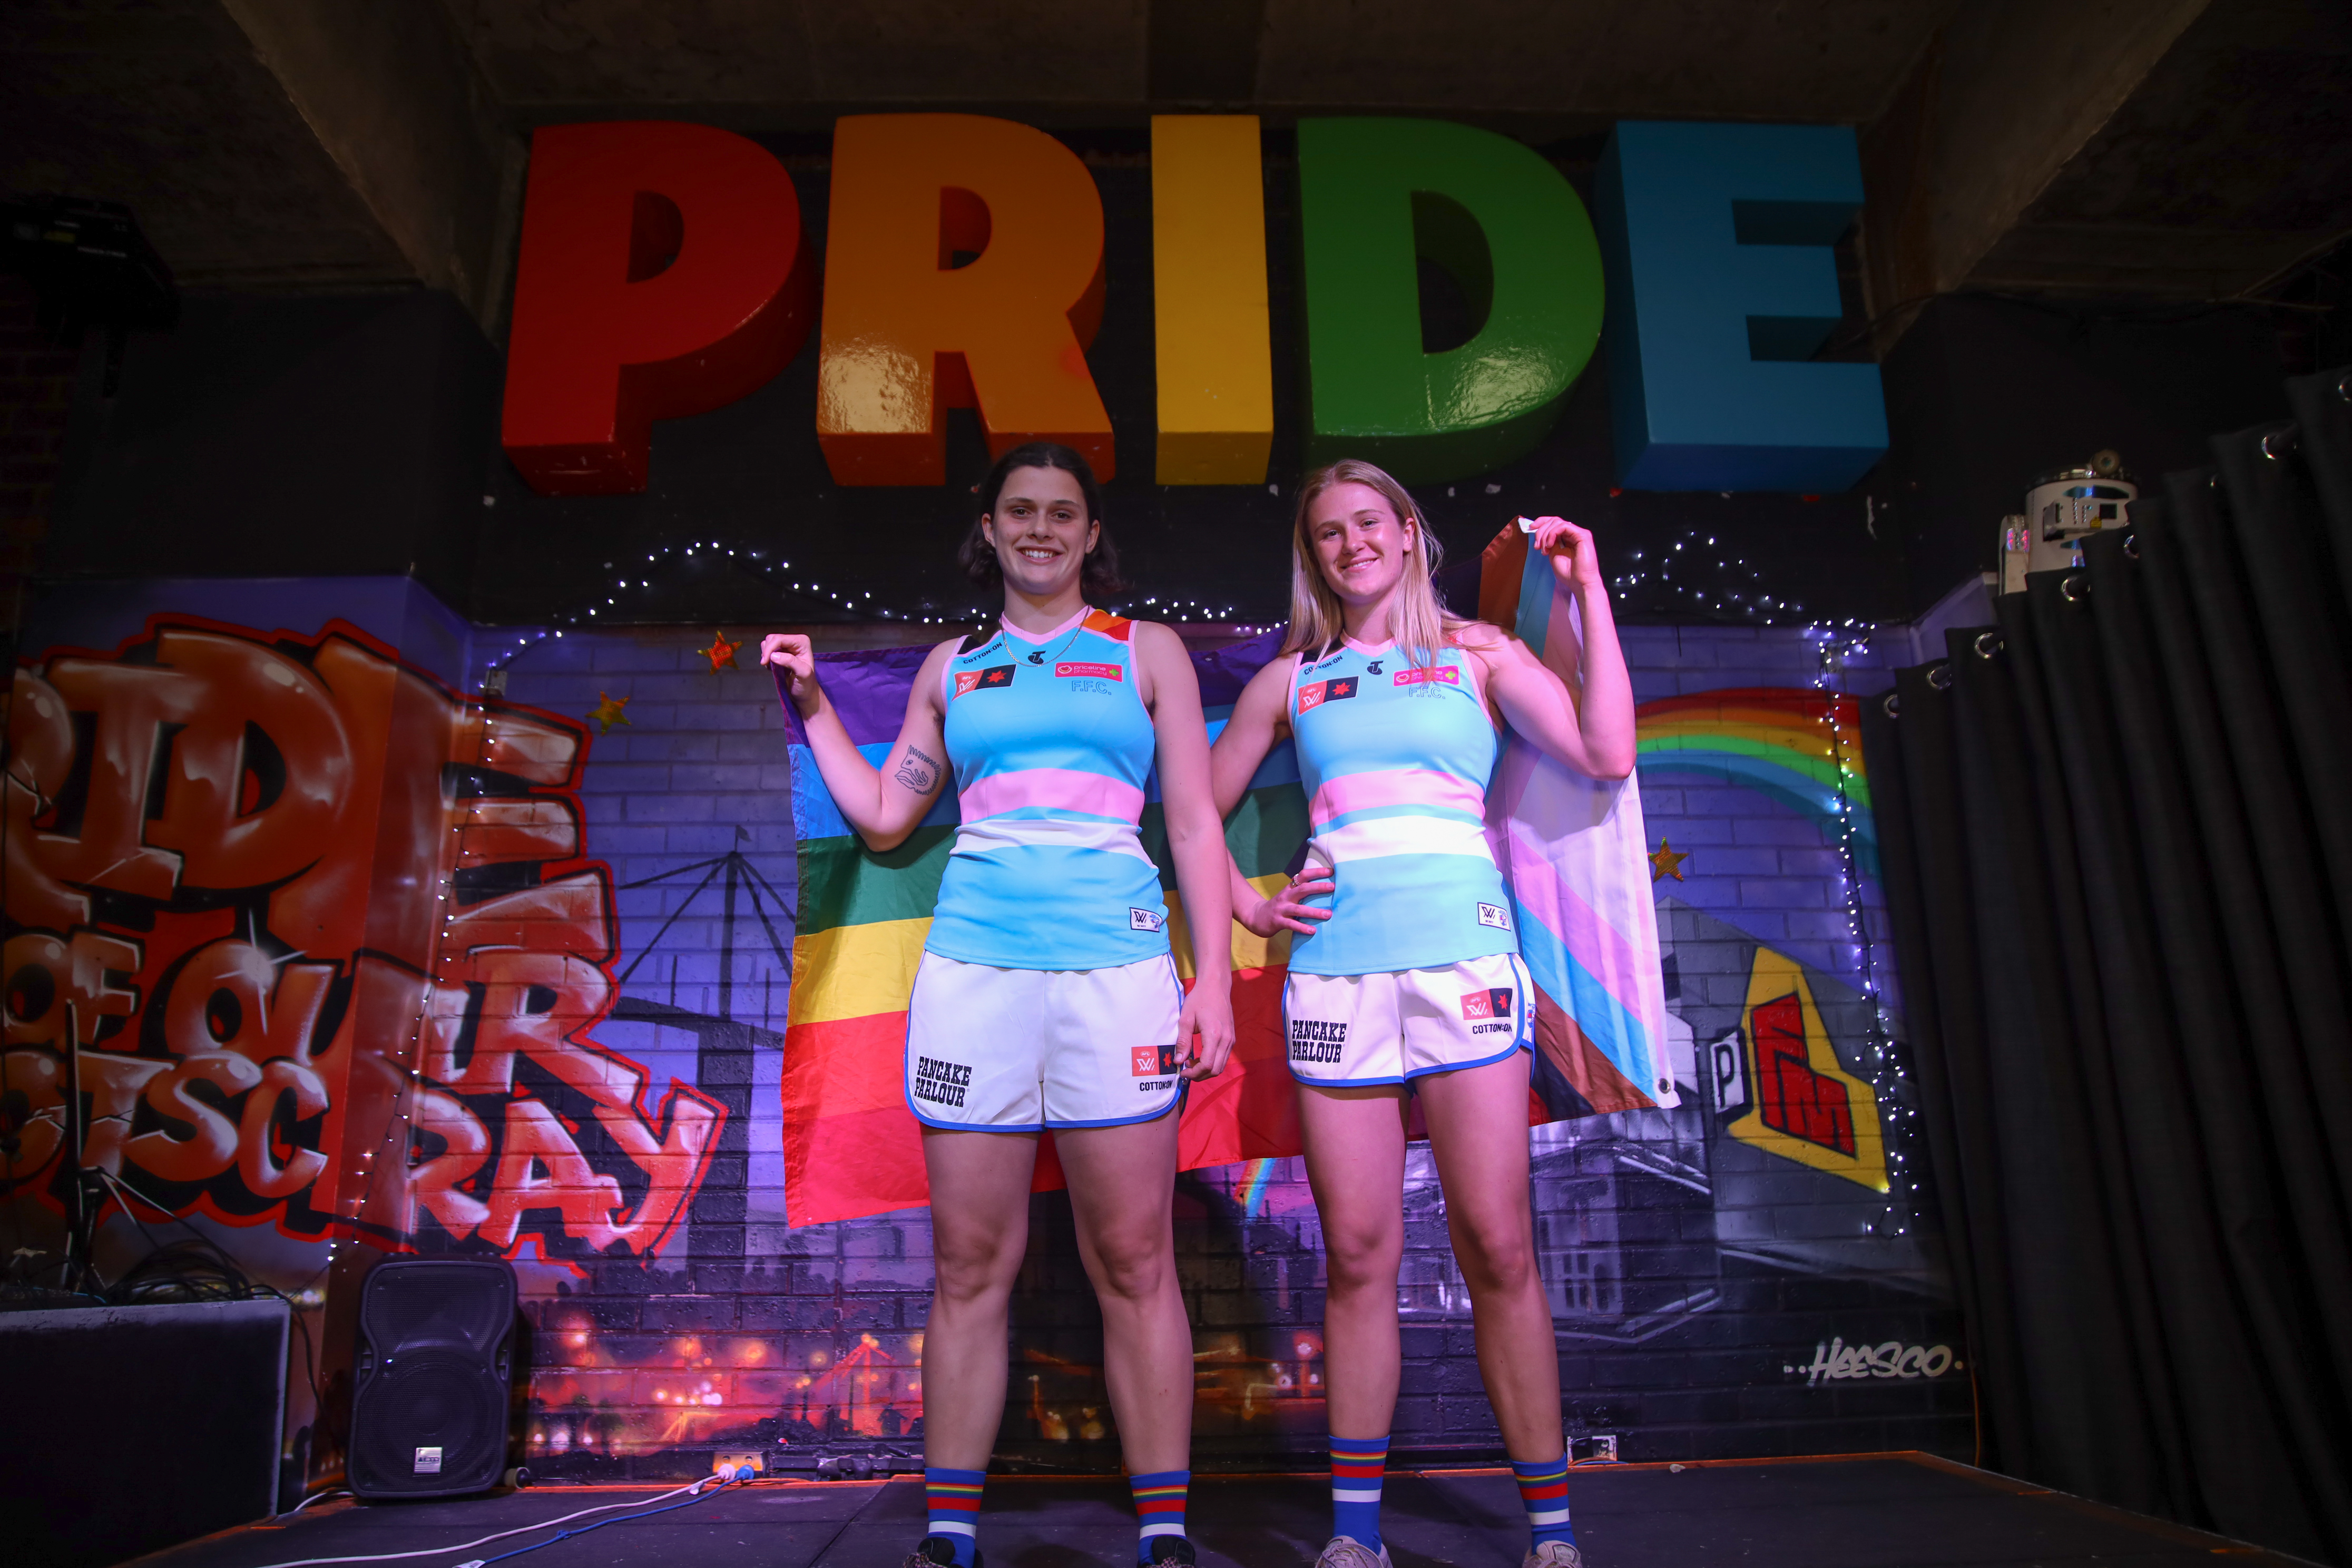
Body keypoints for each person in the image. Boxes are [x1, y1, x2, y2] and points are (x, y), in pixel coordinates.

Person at [763, 442, 1235, 1568]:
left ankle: (1163, 1532)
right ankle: (949, 1535)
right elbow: (885, 817)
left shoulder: (1147, 652)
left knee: (1137, 1265)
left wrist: (1210, 977)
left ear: (1089, 532)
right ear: (988, 528)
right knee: (972, 1272)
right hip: (974, 983)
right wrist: (818, 704)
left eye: (1061, 513)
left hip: (1119, 981)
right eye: (1019, 510)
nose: (1040, 529)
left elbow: (1197, 826)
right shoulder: (949, 669)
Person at [1208, 460, 1635, 1568]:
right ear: (1316, 556)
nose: (1350, 544)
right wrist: (1252, 904)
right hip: (1338, 978)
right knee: (1357, 1256)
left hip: (1467, 969)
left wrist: (1589, 593)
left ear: (1406, 532)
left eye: (1367, 523)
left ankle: (1550, 1533)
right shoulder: (1292, 682)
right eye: (1328, 533)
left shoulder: (1482, 655)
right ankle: (1357, 1540)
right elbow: (1191, 815)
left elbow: (1606, 753)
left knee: (1498, 1248)